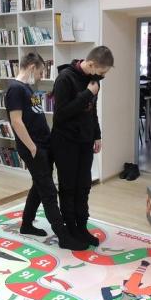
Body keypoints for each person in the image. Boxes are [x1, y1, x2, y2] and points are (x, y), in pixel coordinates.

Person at [5, 52, 88, 251]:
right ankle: (63, 236)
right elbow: (16, 121)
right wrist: (32, 147)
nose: (41, 76)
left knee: (39, 186)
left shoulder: (26, 88)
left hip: (43, 145)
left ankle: (27, 224)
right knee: (49, 191)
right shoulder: (15, 89)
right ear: (32, 67)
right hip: (34, 149)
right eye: (40, 72)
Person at [52, 46, 114, 247]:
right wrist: (87, 94)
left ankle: (81, 227)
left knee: (84, 186)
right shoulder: (65, 78)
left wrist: (97, 135)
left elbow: (91, 111)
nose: (103, 76)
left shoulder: (94, 81)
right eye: (102, 71)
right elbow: (61, 115)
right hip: (65, 141)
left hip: (85, 141)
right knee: (68, 187)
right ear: (92, 64)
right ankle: (70, 230)